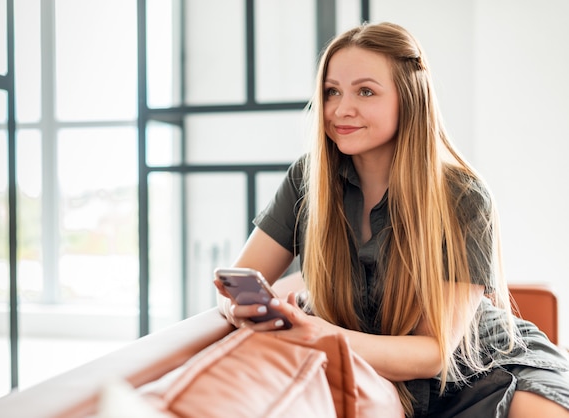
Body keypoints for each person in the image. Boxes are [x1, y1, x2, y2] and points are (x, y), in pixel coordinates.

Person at [214, 21, 569, 417]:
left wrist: (321, 335)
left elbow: (434, 353)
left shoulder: (463, 196)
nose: (341, 109)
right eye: (332, 92)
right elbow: (240, 281)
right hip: (377, 366)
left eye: (365, 91)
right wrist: (239, 308)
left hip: (480, 368)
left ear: (409, 98)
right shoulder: (307, 179)